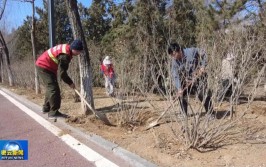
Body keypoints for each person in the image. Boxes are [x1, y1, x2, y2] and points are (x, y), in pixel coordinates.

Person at [36, 39, 83, 119]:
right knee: (54, 89)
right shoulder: (65, 55)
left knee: (50, 88)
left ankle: (46, 108)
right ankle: (53, 113)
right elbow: (62, 74)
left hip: (48, 67)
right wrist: (70, 82)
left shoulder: (67, 48)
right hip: (44, 66)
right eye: (79, 51)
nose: (79, 53)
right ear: (74, 49)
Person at [168, 43, 214, 116]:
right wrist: (179, 88)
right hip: (187, 78)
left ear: (179, 50)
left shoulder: (192, 51)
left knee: (202, 94)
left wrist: (203, 66)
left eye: (174, 54)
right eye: (171, 55)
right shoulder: (175, 61)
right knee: (181, 94)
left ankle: (211, 113)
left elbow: (204, 53)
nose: (173, 57)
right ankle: (184, 114)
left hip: (199, 76)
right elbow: (175, 75)